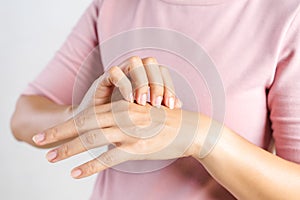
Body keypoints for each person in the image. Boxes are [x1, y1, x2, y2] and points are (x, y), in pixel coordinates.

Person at [11, 0, 300, 199]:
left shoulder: (286, 16)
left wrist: (202, 138)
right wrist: (88, 116)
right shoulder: (114, 5)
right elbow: (23, 117)